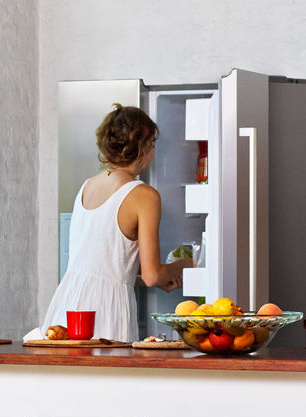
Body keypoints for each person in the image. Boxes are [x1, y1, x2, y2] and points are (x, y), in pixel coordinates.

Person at [27, 103, 193, 343]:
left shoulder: (87, 186)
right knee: (108, 367)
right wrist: (189, 264)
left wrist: (150, 280)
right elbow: (152, 275)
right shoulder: (144, 195)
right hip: (105, 311)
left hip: (68, 306)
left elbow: (103, 266)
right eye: (153, 144)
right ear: (144, 147)